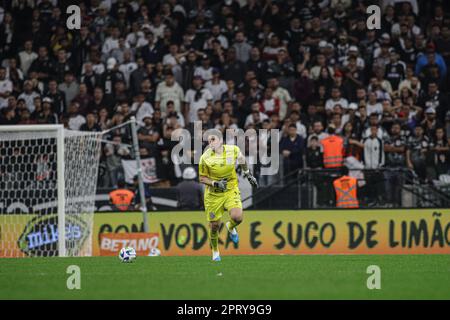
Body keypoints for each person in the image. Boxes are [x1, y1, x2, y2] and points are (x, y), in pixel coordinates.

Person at [198, 129, 258, 261]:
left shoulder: (233, 150)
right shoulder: (205, 158)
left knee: (237, 218)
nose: (210, 143)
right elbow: (202, 178)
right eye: (209, 141)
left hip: (230, 190)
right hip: (213, 195)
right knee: (214, 226)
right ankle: (215, 251)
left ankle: (230, 227)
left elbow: (242, 160)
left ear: (221, 141)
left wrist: (248, 174)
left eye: (213, 140)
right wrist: (215, 183)